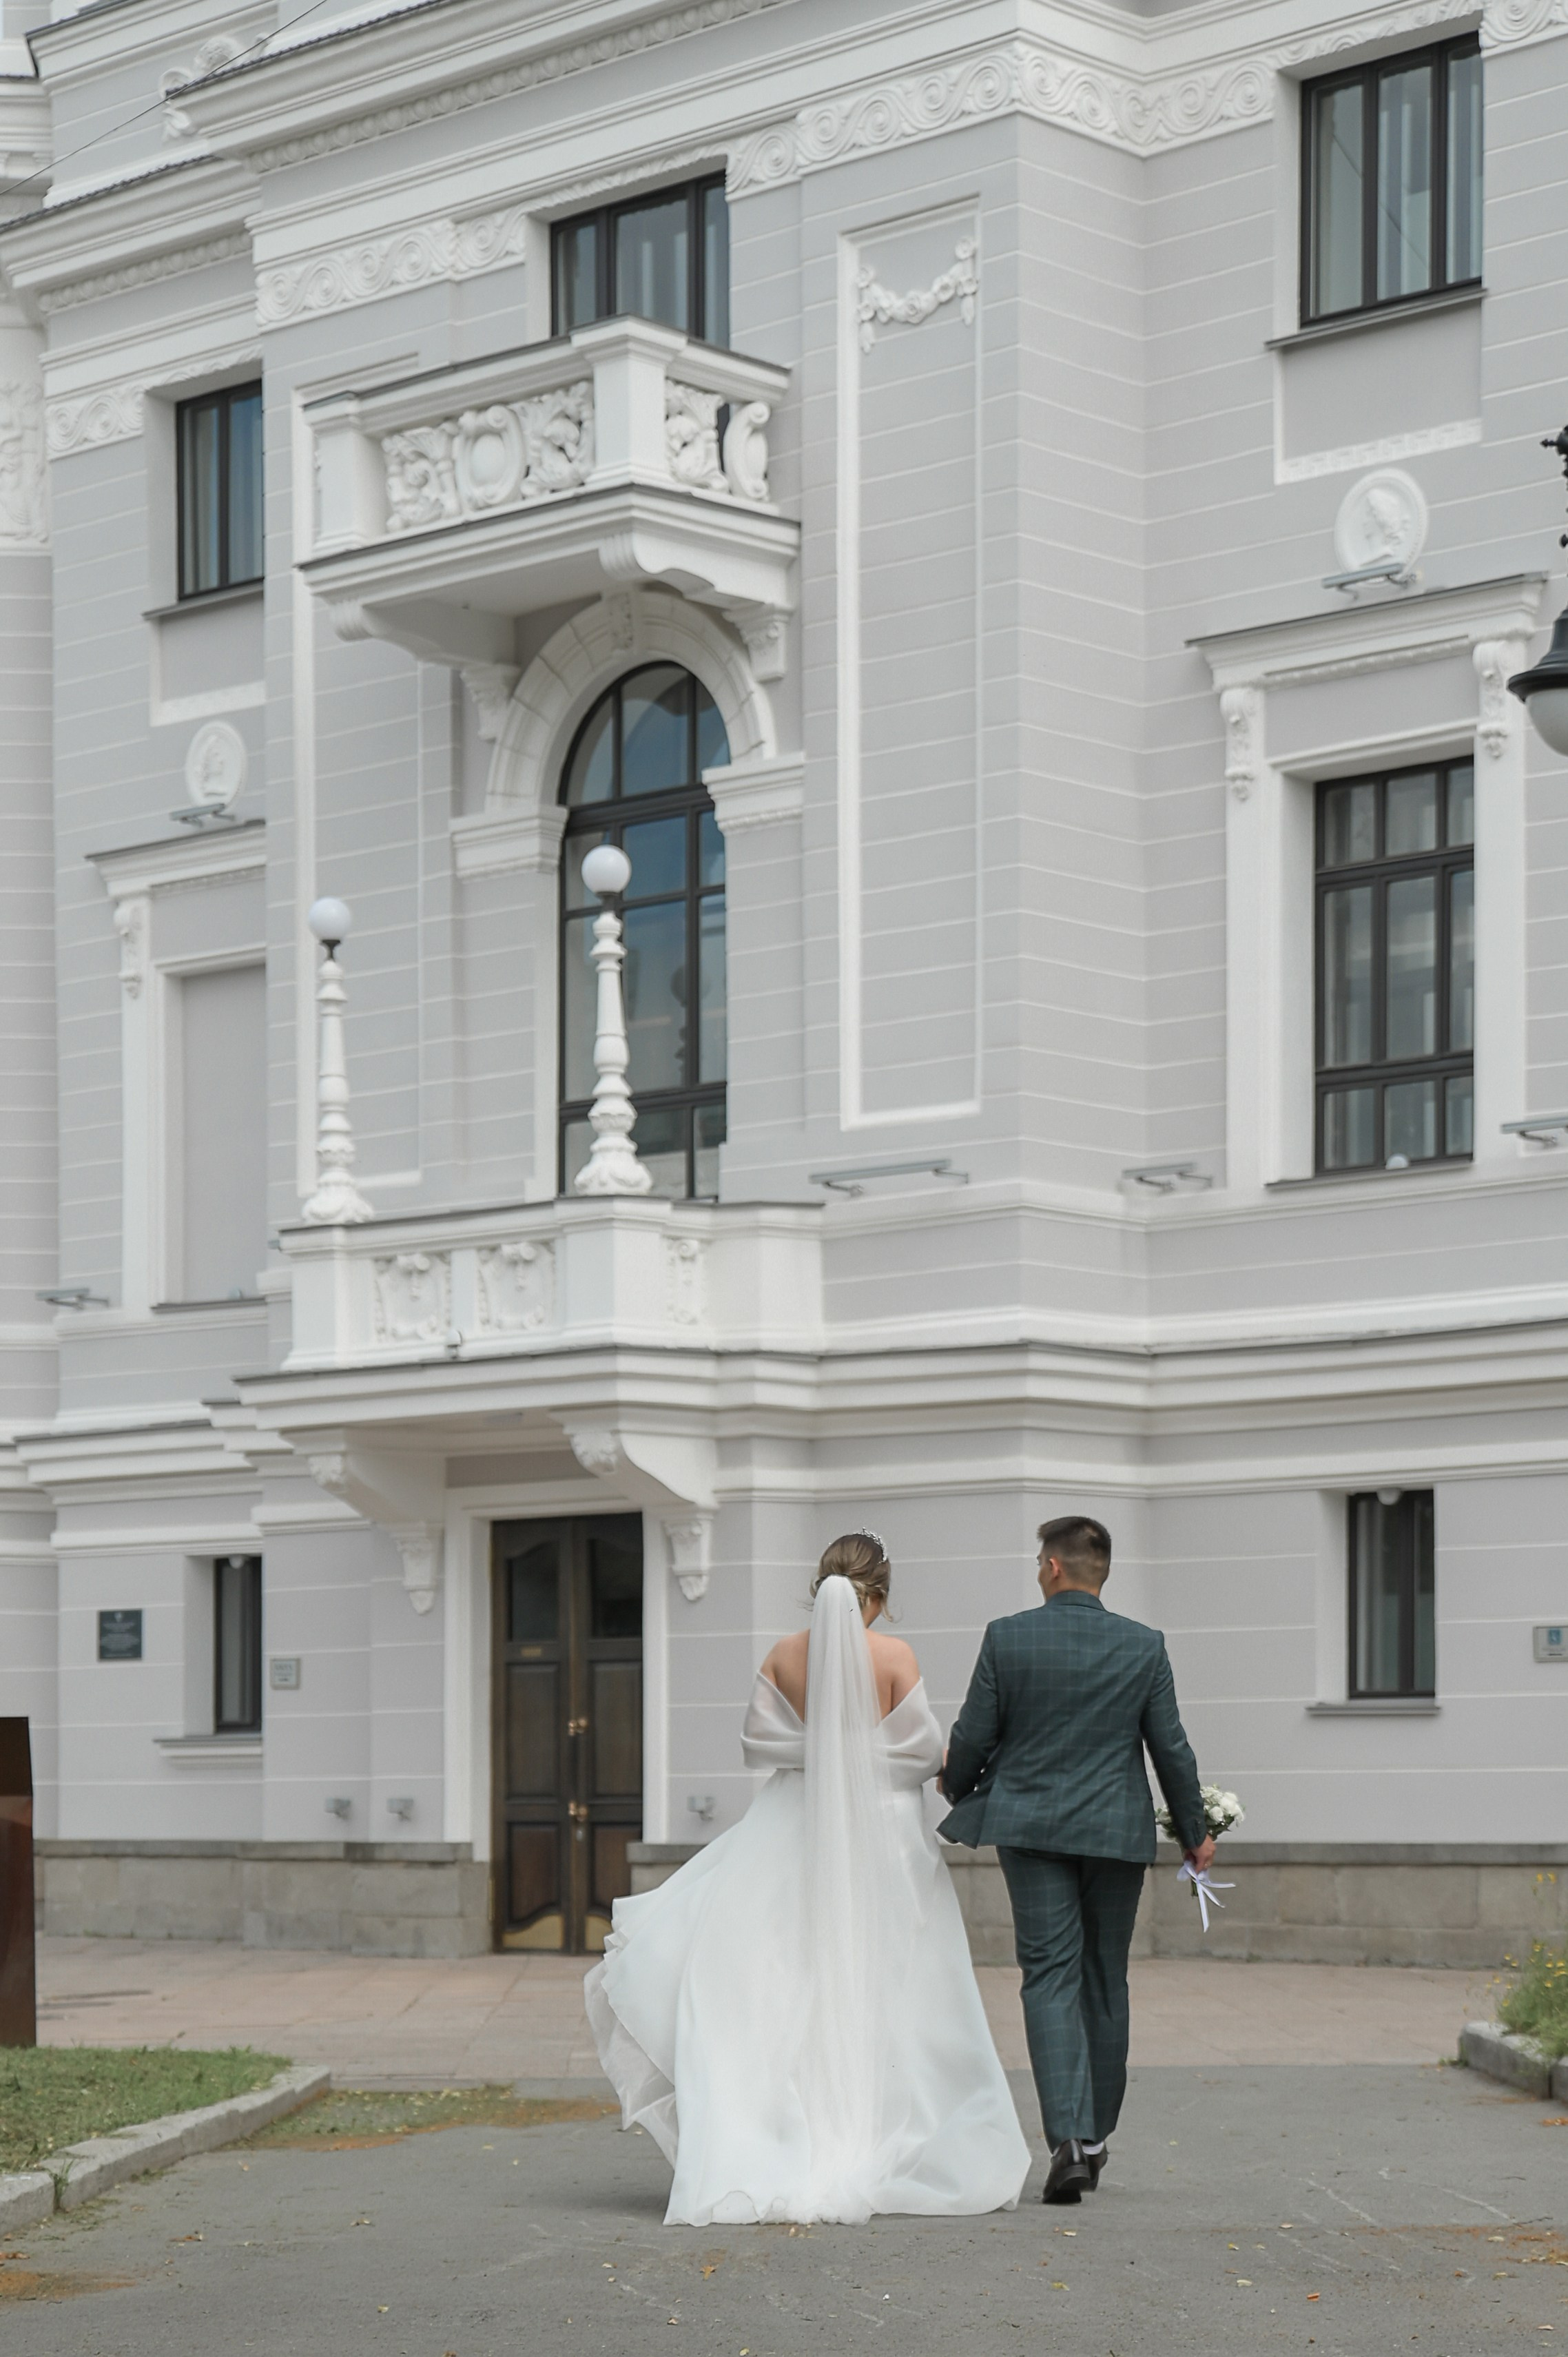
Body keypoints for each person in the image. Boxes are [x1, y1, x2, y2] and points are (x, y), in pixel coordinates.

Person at [584, 1532, 1031, 2225]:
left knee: (784, 1982)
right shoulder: (893, 1656)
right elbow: (916, 1755)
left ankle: (782, 2135)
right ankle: (898, 2139)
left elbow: (756, 1744)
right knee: (899, 1987)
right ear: (877, 1595)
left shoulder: (783, 1655)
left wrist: (820, 1750)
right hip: (882, 1843)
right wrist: (869, 1749)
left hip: (790, 1829)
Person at [939, 1515, 1213, 2205]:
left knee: (1048, 1975)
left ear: (1054, 1567)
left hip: (1029, 1829)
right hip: (1115, 1831)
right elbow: (1169, 1748)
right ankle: (1092, 2139)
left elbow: (974, 1730)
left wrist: (957, 1782)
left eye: (1038, 1560)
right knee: (1103, 1977)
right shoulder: (1142, 1645)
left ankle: (1063, 2136)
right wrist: (1193, 1832)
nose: (1037, 1569)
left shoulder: (1007, 1636)